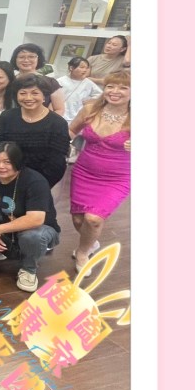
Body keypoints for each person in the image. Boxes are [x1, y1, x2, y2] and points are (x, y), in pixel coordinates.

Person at [0, 142, 61, 293]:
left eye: (8, 162)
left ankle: (29, 270)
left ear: (18, 162)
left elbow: (36, 219)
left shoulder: (35, 181)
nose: (0, 166)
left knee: (32, 237)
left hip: (39, 229)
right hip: (4, 229)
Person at [68, 71, 130, 275]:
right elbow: (71, 131)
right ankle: (91, 242)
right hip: (84, 171)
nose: (115, 91)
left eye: (123, 87)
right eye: (110, 86)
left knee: (93, 219)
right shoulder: (90, 109)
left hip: (117, 177)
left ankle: (83, 252)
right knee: (78, 220)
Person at [0, 73, 70, 189]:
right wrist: (7, 176)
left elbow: (57, 164)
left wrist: (36, 185)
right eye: (23, 93)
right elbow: (0, 149)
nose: (28, 98)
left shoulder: (57, 123)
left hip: (40, 182)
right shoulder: (7, 117)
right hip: (7, 178)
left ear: (44, 96)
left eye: (35, 93)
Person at [11, 43, 66, 116]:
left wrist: (43, 121)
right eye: (21, 57)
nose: (26, 60)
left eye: (31, 57)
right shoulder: (9, 80)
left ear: (38, 59)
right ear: (15, 59)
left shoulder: (50, 82)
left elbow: (59, 109)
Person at [57, 57, 103, 123]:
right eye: (82, 67)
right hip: (60, 114)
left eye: (86, 68)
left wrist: (91, 100)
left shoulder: (88, 83)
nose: (85, 70)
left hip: (77, 116)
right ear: (71, 68)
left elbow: (101, 95)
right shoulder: (60, 81)